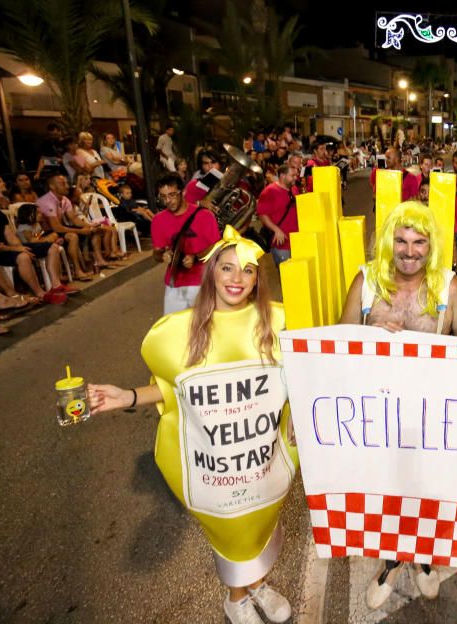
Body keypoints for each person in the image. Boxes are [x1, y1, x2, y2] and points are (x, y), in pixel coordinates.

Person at [87, 229, 298, 624]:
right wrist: (127, 397)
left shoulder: (281, 321)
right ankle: (236, 596)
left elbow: (305, 378)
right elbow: (172, 389)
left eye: (248, 270)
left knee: (260, 521)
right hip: (215, 464)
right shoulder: (181, 329)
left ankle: (258, 584)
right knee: (229, 526)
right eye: (227, 267)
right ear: (212, 272)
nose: (236, 278)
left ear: (258, 278)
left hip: (262, 455)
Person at [339, 201, 457, 608]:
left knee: (426, 494)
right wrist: (371, 333)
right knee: (385, 496)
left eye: (419, 241)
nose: (410, 250)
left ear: (431, 245)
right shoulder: (366, 282)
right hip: (376, 417)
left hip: (429, 420)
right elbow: (338, 344)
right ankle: (392, 561)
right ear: (389, 242)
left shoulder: (450, 288)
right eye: (401, 240)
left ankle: (423, 558)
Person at [0, 182, 70, 304]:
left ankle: (56, 285)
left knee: (52, 247)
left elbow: (10, 236)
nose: (1, 195)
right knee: (23, 256)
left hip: (5, 248)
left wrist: (19, 246)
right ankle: (40, 293)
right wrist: (16, 249)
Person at [151, 174, 222, 314]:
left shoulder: (204, 215)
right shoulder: (158, 220)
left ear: (183, 192)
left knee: (205, 331)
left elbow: (217, 248)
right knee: (173, 331)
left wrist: (196, 257)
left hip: (203, 282)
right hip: (174, 284)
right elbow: (156, 252)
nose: (168, 201)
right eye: (163, 196)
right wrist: (162, 255)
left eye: (172, 195)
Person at [37, 174, 96, 280]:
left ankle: (97, 261)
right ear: (52, 186)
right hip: (44, 233)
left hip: (57, 229)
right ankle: (77, 270)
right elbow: (56, 228)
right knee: (73, 236)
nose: (67, 186)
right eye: (62, 183)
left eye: (67, 183)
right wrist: (81, 231)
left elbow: (74, 219)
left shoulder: (64, 199)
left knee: (94, 230)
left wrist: (90, 226)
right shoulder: (47, 201)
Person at [256, 165, 300, 266]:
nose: (295, 178)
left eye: (295, 175)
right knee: (287, 276)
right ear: (282, 176)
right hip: (281, 243)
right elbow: (262, 214)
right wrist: (276, 230)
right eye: (292, 175)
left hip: (296, 241)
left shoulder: (294, 189)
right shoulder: (269, 191)